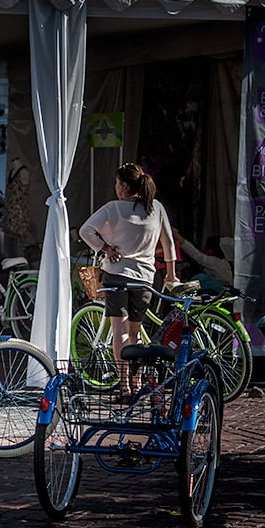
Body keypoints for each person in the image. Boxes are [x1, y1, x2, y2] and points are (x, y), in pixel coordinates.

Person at [80, 162, 177, 398]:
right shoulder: (156, 208)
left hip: (117, 277)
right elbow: (169, 244)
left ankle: (124, 387)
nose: (115, 187)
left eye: (116, 183)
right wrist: (172, 275)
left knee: (120, 332)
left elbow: (85, 231)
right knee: (135, 333)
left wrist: (105, 248)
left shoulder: (113, 208)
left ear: (124, 185)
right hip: (144, 279)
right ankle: (137, 382)